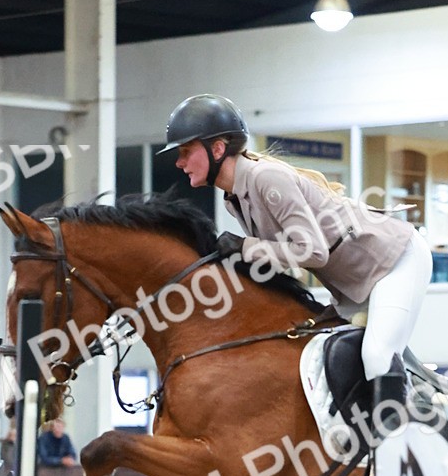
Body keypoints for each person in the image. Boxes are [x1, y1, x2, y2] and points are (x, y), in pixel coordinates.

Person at [158, 93, 433, 394]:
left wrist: (245, 248)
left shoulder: (265, 178)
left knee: (377, 357)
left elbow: (312, 252)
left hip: (396, 260)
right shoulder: (233, 199)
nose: (180, 162)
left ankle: (405, 422)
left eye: (186, 151)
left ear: (218, 149)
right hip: (354, 284)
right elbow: (282, 259)